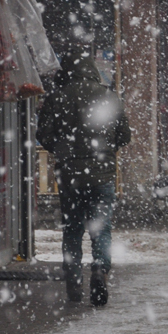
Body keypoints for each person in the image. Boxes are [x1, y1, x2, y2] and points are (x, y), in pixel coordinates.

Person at [36, 49, 130, 306]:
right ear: (91, 69)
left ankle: (74, 281)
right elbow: (124, 135)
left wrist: (63, 151)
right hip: (103, 175)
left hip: (70, 177)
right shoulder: (108, 96)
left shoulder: (57, 98)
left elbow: (43, 134)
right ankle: (99, 270)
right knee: (102, 230)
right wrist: (105, 149)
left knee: (73, 230)